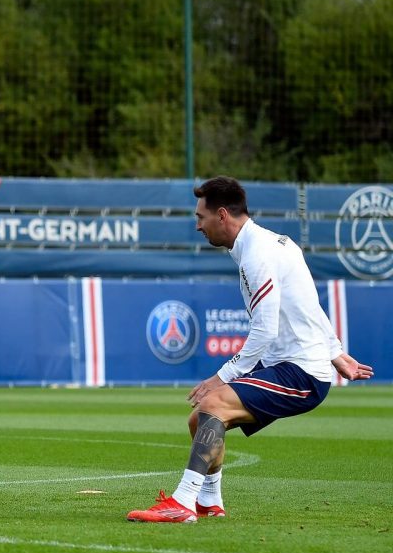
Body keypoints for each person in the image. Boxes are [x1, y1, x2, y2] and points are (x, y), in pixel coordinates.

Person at [127, 176, 373, 523]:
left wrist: (222, 376)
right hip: (294, 364)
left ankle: (181, 502)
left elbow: (265, 330)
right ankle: (209, 500)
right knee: (201, 419)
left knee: (213, 403)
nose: (197, 226)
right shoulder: (275, 243)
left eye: (200, 217)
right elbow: (308, 304)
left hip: (301, 372)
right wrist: (335, 352)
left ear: (222, 215)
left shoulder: (258, 254)